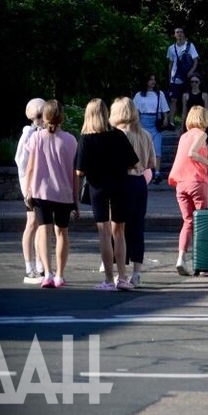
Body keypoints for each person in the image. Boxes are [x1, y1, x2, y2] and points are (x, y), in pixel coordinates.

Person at [76, 98, 139, 291]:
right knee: (119, 232)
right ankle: (123, 277)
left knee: (104, 232)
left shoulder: (86, 139)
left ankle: (109, 280)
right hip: (120, 185)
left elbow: (79, 171)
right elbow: (134, 163)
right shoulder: (118, 135)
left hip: (98, 188)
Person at [23, 99, 79, 289]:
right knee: (62, 233)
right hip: (64, 193)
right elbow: (74, 173)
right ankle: (60, 275)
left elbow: (30, 167)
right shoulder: (71, 140)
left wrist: (28, 191)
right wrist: (76, 199)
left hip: (40, 192)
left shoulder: (36, 138)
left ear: (45, 117)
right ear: (62, 117)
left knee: (43, 231)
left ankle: (47, 273)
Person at [168, 104, 208, 275]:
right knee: (203, 221)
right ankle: (203, 263)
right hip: (197, 182)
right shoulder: (201, 134)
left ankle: (181, 258)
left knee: (188, 221)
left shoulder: (184, 136)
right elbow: (193, 153)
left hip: (180, 183)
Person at [109, 96, 156, 288]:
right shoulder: (145, 134)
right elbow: (152, 163)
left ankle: (120, 272)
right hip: (139, 182)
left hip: (121, 182)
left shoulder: (115, 135)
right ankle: (137, 273)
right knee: (137, 228)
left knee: (118, 228)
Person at [15, 97, 46, 283]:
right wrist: (27, 189)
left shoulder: (40, 132)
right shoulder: (28, 134)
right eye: (40, 115)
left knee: (40, 225)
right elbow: (21, 163)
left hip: (39, 185)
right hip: (31, 186)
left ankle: (40, 265)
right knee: (32, 223)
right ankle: (29, 266)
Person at [133, 73, 169, 184]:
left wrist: (165, 118)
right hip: (143, 121)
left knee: (157, 148)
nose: (153, 82)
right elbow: (135, 111)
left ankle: (157, 173)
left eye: (154, 79)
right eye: (150, 79)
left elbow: (164, 109)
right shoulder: (139, 95)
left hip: (156, 122)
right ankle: (144, 172)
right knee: (143, 148)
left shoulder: (159, 94)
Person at [165, 27, 199, 129]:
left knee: (187, 99)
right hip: (175, 78)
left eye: (181, 32)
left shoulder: (190, 46)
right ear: (174, 35)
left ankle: (188, 122)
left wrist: (191, 72)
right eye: (177, 32)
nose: (179, 34)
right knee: (173, 100)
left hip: (187, 77)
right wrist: (170, 78)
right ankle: (171, 122)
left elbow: (195, 61)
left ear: (184, 34)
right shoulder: (171, 48)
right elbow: (170, 64)